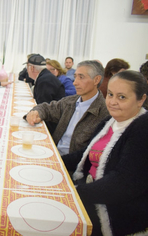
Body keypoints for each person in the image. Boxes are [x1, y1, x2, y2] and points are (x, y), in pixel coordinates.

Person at [62, 70, 148, 236]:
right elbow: (84, 155)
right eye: (110, 94)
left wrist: (74, 193)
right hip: (91, 193)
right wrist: (55, 162)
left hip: (114, 212)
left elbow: (123, 184)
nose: (113, 102)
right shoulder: (109, 122)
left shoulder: (143, 128)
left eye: (121, 97)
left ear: (141, 99)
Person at [25, 60, 109, 155]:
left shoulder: (105, 112)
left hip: (71, 165)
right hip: (53, 152)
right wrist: (36, 112)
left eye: (81, 77)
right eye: (75, 77)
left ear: (96, 80)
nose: (75, 83)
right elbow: (47, 108)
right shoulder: (70, 101)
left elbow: (89, 154)